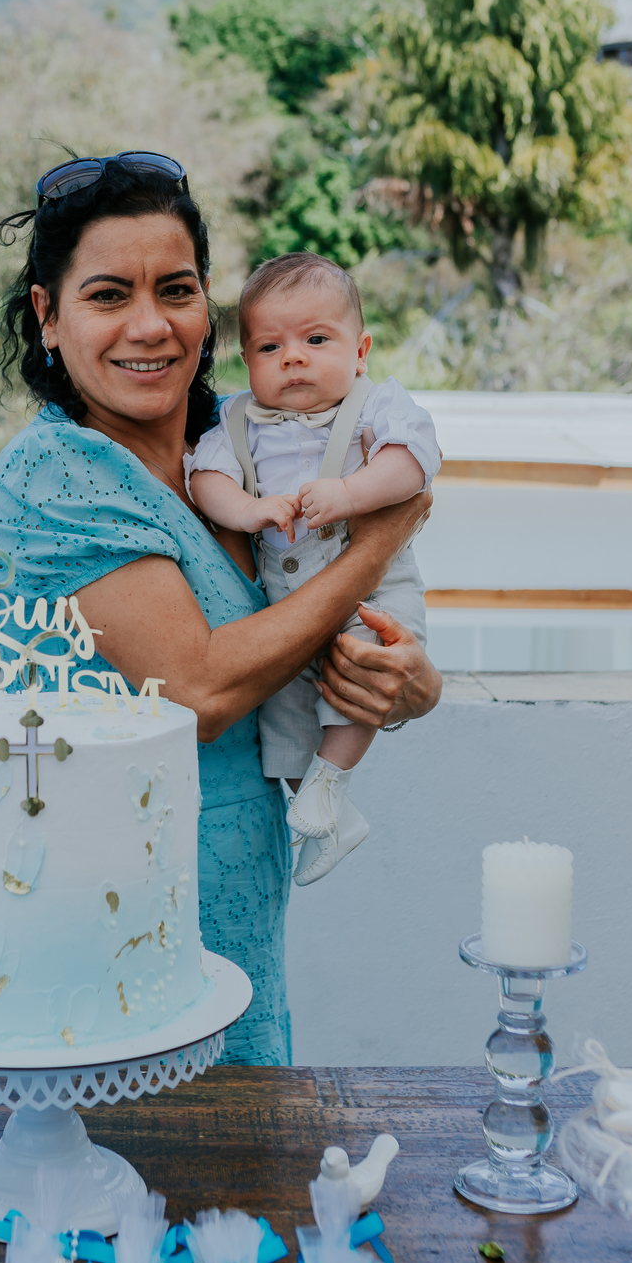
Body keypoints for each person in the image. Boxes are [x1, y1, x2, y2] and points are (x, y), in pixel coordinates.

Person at [0, 151, 442, 1065]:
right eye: (109, 294)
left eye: (178, 290)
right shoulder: (62, 475)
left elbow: (317, 640)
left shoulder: (236, 443)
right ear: (49, 316)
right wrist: (383, 539)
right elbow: (195, 691)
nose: (150, 326)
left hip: (236, 905)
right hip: (114, 917)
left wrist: (407, 679)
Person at [187, 252, 441, 887]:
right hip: (284, 602)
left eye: (316, 339)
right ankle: (329, 812)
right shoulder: (237, 419)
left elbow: (416, 461)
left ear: (361, 351)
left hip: (371, 592)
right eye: (270, 346)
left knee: (358, 670)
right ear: (247, 362)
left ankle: (332, 781)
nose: (293, 357)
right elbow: (205, 476)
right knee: (287, 706)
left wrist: (352, 494)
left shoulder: (376, 404)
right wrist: (247, 509)